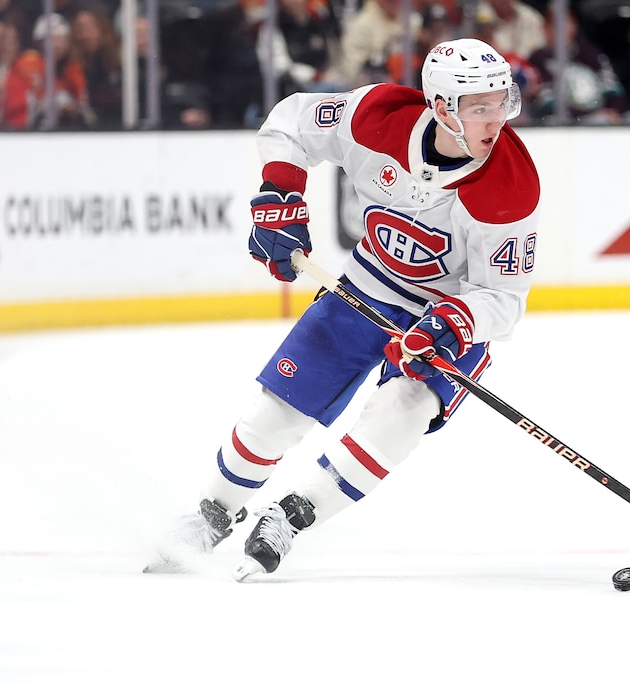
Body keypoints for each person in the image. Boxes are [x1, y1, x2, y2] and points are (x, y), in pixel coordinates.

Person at [145, 37, 541, 581]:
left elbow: (504, 298)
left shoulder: (511, 185)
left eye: (502, 103)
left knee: (404, 410)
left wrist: (453, 323)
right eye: (479, 108)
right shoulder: (378, 117)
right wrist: (281, 193)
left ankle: (292, 516)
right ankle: (212, 514)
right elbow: (291, 122)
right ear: (441, 107)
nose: (497, 120)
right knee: (278, 413)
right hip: (364, 287)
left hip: (445, 314)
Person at [0, 12, 94, 129]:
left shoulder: (72, 69)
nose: (58, 45)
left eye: (62, 39)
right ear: (40, 42)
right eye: (53, 39)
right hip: (25, 129)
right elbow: (27, 102)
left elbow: (82, 102)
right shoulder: (28, 63)